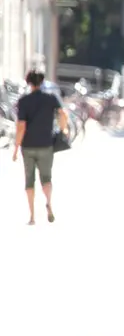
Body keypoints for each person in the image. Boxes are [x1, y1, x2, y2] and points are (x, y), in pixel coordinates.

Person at [12, 69, 68, 225]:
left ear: (29, 82)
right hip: (46, 144)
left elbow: (21, 126)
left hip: (28, 145)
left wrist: (16, 148)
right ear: (42, 81)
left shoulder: (24, 101)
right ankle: (48, 202)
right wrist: (64, 129)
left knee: (29, 180)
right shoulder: (50, 98)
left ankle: (32, 216)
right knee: (46, 178)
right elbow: (63, 114)